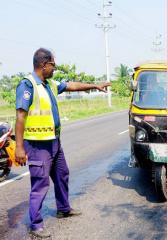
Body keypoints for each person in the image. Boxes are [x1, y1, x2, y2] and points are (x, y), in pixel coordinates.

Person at [15, 48, 111, 239]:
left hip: (54, 142)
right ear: (44, 64)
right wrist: (19, 147)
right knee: (40, 184)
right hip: (37, 145)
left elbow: (71, 86)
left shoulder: (48, 84)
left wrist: (95, 85)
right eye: (53, 65)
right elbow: (20, 117)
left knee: (62, 175)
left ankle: (63, 209)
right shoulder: (28, 85)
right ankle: (35, 224)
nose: (54, 69)